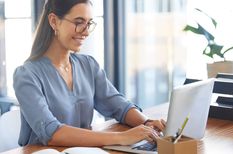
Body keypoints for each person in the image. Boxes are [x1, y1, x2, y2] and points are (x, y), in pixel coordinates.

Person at [13, 0, 166, 147]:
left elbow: (119, 106)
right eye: (79, 23)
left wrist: (147, 124)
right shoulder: (26, 75)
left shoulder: (88, 65)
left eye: (89, 23)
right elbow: (51, 133)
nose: (86, 32)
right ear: (54, 21)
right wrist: (122, 137)